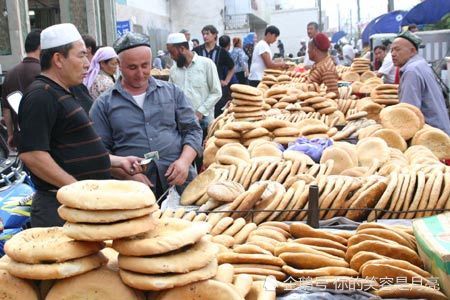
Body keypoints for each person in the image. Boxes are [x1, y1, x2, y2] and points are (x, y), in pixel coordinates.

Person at [17, 24, 143, 227]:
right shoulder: (41, 95)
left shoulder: (67, 91)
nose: (87, 64)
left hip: (80, 205)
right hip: (59, 208)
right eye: (81, 56)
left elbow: (72, 148)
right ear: (58, 59)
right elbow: (32, 155)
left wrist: (117, 161)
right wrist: (76, 190)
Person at [90, 32, 203, 199]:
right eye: (132, 67)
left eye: (145, 65)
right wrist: (127, 175)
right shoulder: (104, 104)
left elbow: (193, 130)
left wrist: (184, 162)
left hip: (179, 184)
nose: (141, 73)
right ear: (119, 65)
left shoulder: (172, 92)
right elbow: (99, 154)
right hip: (132, 193)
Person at [391, 31, 450, 135]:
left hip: (431, 135)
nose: (393, 54)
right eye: (391, 50)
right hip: (441, 129)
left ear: (413, 51)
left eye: (397, 49)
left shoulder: (411, 71)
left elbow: (408, 115)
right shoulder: (421, 64)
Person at [167, 32, 221, 135]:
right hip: (183, 125)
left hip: (205, 124)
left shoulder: (206, 64)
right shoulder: (174, 70)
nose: (171, 57)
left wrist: (200, 112)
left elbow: (216, 92)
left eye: (172, 53)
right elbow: (171, 95)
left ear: (182, 49)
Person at [1, 29, 41, 148]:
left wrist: (10, 135)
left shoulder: (9, 74)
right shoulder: (45, 72)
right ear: (41, 46)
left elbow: (6, 109)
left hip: (22, 138)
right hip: (46, 139)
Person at [193, 25, 235, 117]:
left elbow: (231, 67)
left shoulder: (222, 52)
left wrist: (226, 81)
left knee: (217, 115)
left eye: (207, 34)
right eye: (203, 34)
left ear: (214, 35)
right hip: (200, 89)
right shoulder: (196, 51)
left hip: (217, 89)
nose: (205, 36)